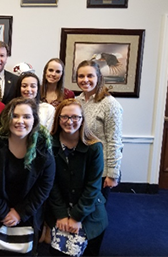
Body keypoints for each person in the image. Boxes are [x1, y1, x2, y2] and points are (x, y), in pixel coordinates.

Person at [0, 97, 55, 257]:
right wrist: (3, 211)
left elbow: (44, 187)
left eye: (26, 116)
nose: (20, 121)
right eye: (15, 115)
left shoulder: (42, 147)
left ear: (34, 120)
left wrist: (20, 212)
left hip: (27, 215)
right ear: (7, 118)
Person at [47, 99, 108, 257]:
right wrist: (61, 214)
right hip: (58, 208)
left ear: (82, 120)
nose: (69, 121)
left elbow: (93, 185)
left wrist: (76, 216)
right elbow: (49, 183)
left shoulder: (94, 147)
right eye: (64, 117)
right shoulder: (48, 145)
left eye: (75, 117)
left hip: (89, 211)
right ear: (58, 119)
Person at [76, 60, 123, 201]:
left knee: (96, 212)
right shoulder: (77, 101)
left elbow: (114, 140)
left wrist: (113, 173)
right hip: (81, 166)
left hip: (100, 170)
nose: (85, 80)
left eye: (90, 76)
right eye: (81, 76)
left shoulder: (110, 104)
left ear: (99, 78)